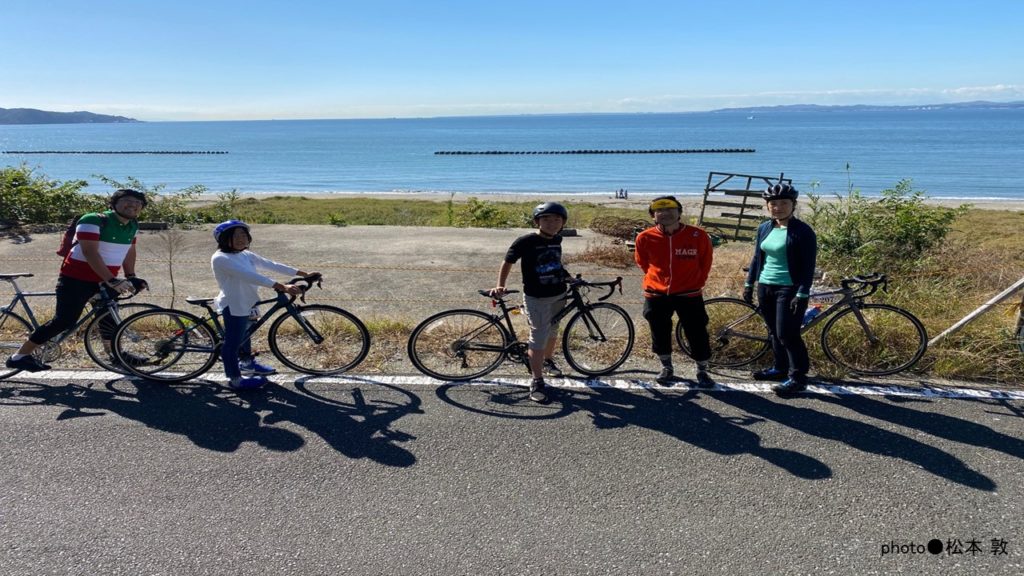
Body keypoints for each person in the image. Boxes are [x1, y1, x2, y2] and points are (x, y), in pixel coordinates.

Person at [5, 189, 149, 373]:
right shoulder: (93, 220)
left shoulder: (133, 225)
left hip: (105, 279)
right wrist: (112, 280)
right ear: (113, 204)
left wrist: (131, 276)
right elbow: (90, 252)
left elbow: (129, 251)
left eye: (138, 203)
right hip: (76, 278)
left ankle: (115, 355)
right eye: (127, 200)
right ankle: (20, 356)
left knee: (108, 318)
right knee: (64, 320)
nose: (133, 205)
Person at [211, 220, 318, 391]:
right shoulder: (221, 258)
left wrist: (304, 274)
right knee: (232, 343)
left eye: (244, 235)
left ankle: (247, 363)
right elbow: (250, 276)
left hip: (249, 301)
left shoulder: (245, 254)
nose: (241, 239)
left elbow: (270, 264)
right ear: (224, 239)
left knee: (246, 335)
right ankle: (235, 379)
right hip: (234, 304)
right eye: (236, 235)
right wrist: (282, 286)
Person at [743, 182, 818, 397]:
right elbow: (757, 257)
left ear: (793, 205)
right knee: (774, 332)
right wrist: (749, 284)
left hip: (791, 288)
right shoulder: (765, 228)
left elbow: (808, 266)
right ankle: (780, 369)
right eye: (773, 204)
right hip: (766, 286)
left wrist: (802, 292)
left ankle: (798, 377)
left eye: (784, 203)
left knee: (788, 334)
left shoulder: (803, 232)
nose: (778, 207)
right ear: (768, 206)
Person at [490, 202, 571, 403]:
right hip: (537, 296)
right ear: (537, 221)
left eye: (557, 219)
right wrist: (500, 285)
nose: (552, 223)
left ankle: (548, 361)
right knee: (539, 335)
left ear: (563, 223)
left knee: (553, 330)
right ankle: (537, 380)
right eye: (546, 219)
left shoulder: (557, 239)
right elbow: (508, 261)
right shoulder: (526, 241)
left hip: (559, 293)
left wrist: (568, 277)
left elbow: (555, 262)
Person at [634, 196, 715, 388]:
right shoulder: (644, 237)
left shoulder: (698, 235)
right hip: (656, 294)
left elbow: (706, 262)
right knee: (659, 331)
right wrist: (657, 279)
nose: (665, 213)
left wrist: (696, 282)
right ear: (653, 216)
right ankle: (666, 367)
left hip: (689, 293)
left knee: (697, 331)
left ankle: (702, 370)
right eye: (659, 210)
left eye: (670, 209)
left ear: (679, 212)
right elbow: (643, 263)